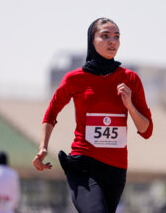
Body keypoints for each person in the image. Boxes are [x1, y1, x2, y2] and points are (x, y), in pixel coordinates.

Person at [33, 17, 153, 213]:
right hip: (84, 165)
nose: (112, 41)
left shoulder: (130, 79)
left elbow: (146, 130)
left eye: (116, 37)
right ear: (92, 40)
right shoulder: (75, 79)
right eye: (105, 36)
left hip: (116, 169)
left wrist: (129, 105)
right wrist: (43, 147)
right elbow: (51, 112)